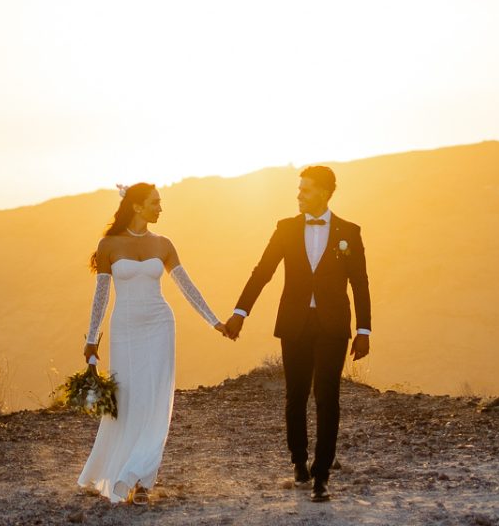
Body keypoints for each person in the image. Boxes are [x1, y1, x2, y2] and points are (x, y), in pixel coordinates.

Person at [222, 164, 371, 502]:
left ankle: (322, 474)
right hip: (295, 322)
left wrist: (364, 330)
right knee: (296, 395)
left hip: (333, 326)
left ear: (323, 191)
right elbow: (263, 271)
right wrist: (240, 313)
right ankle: (299, 460)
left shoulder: (350, 231)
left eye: (305, 189)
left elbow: (360, 283)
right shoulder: (285, 228)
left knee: (327, 396)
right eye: (298, 188)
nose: (298, 194)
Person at [78, 182, 230, 504]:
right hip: (125, 330)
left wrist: (214, 320)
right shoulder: (108, 245)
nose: (161, 208)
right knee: (129, 400)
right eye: (155, 202)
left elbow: (186, 286)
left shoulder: (164, 244)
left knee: (157, 400)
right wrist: (92, 339)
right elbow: (101, 296)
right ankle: (119, 467)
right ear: (136, 206)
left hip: (160, 325)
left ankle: (142, 480)